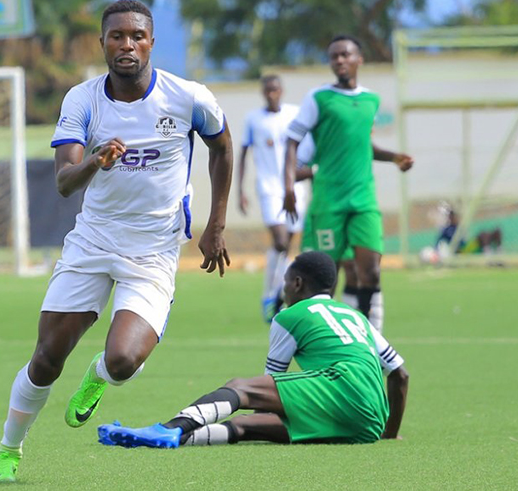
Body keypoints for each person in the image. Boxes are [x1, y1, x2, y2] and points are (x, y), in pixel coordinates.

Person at [0, 0, 233, 481]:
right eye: (117, 36)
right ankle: (7, 453)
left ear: (151, 42)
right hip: (93, 242)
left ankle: (98, 376)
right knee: (47, 358)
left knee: (122, 360)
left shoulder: (188, 97)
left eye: (137, 36)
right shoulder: (82, 100)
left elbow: (222, 147)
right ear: (102, 43)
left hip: (153, 250)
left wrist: (216, 225)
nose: (127, 45)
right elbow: (64, 182)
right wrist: (94, 162)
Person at [97, 251, 409, 448]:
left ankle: (169, 428)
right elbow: (400, 374)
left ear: (297, 284)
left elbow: (266, 389)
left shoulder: (290, 316)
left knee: (241, 388)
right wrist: (389, 432)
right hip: (369, 423)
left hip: (342, 390)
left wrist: (262, 416)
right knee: (245, 427)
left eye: (285, 282)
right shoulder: (354, 316)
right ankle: (161, 438)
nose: (283, 290)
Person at [283, 34, 414, 333]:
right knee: (323, 280)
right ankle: (320, 338)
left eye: (345, 54)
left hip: (363, 199)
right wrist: (289, 186)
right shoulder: (319, 98)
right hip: (329, 200)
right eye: (334, 56)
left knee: (371, 272)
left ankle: (370, 340)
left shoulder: (371, 100)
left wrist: (393, 157)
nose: (340, 60)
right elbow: (292, 140)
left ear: (359, 59)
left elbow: (364, 145)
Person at [237, 75, 309, 322]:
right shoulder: (254, 119)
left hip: (295, 187)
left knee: (288, 244)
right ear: (263, 92)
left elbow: (307, 148)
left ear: (282, 91)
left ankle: (278, 295)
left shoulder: (295, 114)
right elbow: (243, 154)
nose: (272, 94)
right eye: (267, 90)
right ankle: (270, 294)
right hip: (268, 187)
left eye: (275, 89)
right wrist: (240, 190)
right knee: (279, 241)